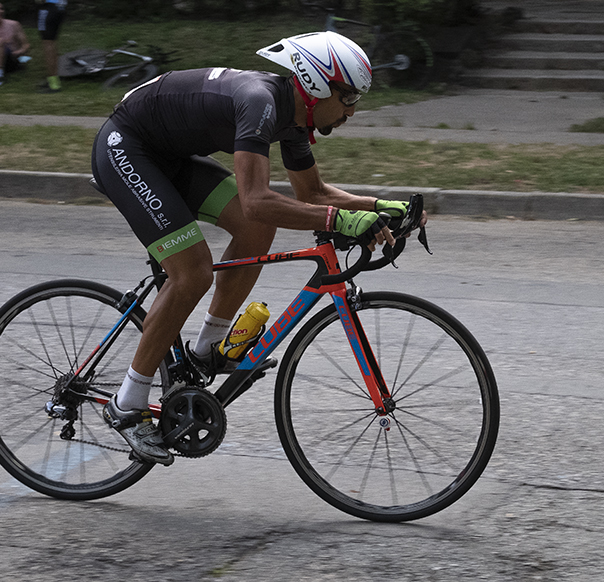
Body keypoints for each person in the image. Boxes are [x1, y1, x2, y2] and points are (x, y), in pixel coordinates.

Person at [92, 31, 419, 466]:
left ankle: (207, 348)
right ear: (318, 84)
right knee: (193, 271)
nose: (351, 111)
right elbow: (257, 198)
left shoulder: (294, 116)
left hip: (166, 154)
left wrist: (380, 207)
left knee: (254, 230)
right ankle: (127, 403)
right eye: (348, 98)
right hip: (127, 148)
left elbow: (314, 192)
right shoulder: (260, 101)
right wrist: (341, 221)